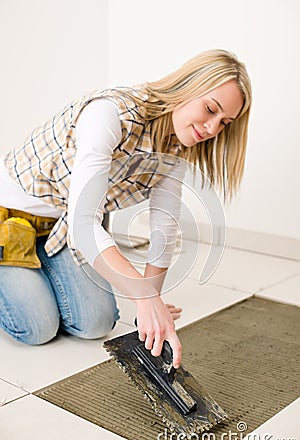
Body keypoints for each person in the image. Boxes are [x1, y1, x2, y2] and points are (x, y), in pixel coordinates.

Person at [0, 49, 252, 368]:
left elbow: (164, 229)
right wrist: (145, 299)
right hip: (9, 217)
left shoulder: (174, 150)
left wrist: (151, 302)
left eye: (224, 122)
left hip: (56, 228)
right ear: (187, 87)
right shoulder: (111, 112)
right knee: (36, 328)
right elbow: (84, 224)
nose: (213, 128)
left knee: (96, 323)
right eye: (210, 109)